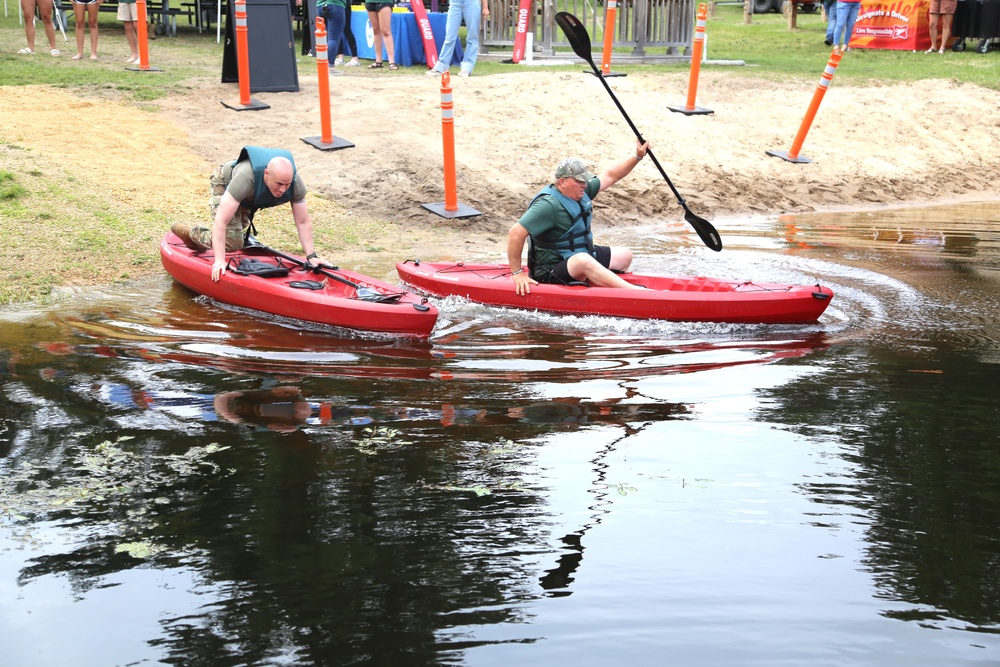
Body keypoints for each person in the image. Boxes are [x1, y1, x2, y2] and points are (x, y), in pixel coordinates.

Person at [170, 146, 334, 282]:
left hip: (249, 197)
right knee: (233, 242)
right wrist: (219, 260)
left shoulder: (296, 184)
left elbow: (303, 222)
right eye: (279, 184)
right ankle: (191, 234)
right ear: (266, 175)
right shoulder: (245, 179)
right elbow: (221, 221)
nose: (283, 190)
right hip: (226, 183)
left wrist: (311, 256)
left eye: (287, 184)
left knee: (236, 237)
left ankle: (212, 239)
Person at [506, 141, 650, 295]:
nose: (584, 185)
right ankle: (637, 293)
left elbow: (611, 175)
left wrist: (637, 156)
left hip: (577, 257)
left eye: (584, 180)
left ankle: (601, 288)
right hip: (551, 270)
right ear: (563, 182)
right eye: (579, 181)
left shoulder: (581, 192)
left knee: (624, 256)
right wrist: (518, 273)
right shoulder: (547, 205)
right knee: (582, 260)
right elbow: (515, 233)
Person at [426, 0, 489, 77]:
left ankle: (467, 68)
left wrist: (485, 7)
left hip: (472, 2)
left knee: (472, 37)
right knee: (450, 36)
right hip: (455, 2)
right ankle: (441, 66)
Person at [366, 0, 397, 70]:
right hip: (370, 2)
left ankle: (391, 62)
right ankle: (378, 61)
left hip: (384, 1)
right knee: (376, 30)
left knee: (386, 31)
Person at [335, 0, 360, 67]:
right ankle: (340, 57)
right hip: (335, 4)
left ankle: (355, 58)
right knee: (337, 29)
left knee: (347, 29)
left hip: (344, 3)